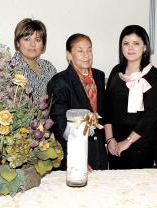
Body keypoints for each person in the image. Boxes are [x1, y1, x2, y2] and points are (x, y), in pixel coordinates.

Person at [104, 25, 157, 169]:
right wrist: (110, 139)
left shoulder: (152, 74)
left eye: (136, 43)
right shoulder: (116, 71)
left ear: (144, 47)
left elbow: (151, 115)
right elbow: (107, 108)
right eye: (126, 43)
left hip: (141, 144)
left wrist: (128, 141)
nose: (130, 48)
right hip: (115, 144)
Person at [47, 34, 107, 170]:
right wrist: (77, 159)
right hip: (75, 156)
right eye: (80, 51)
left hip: (99, 152)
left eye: (89, 50)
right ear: (69, 55)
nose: (86, 55)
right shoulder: (59, 82)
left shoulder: (99, 76)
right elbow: (60, 128)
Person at [11, 18, 56, 99]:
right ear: (17, 42)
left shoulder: (48, 67)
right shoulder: (10, 70)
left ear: (43, 45)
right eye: (27, 39)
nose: (32, 44)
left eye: (37, 40)